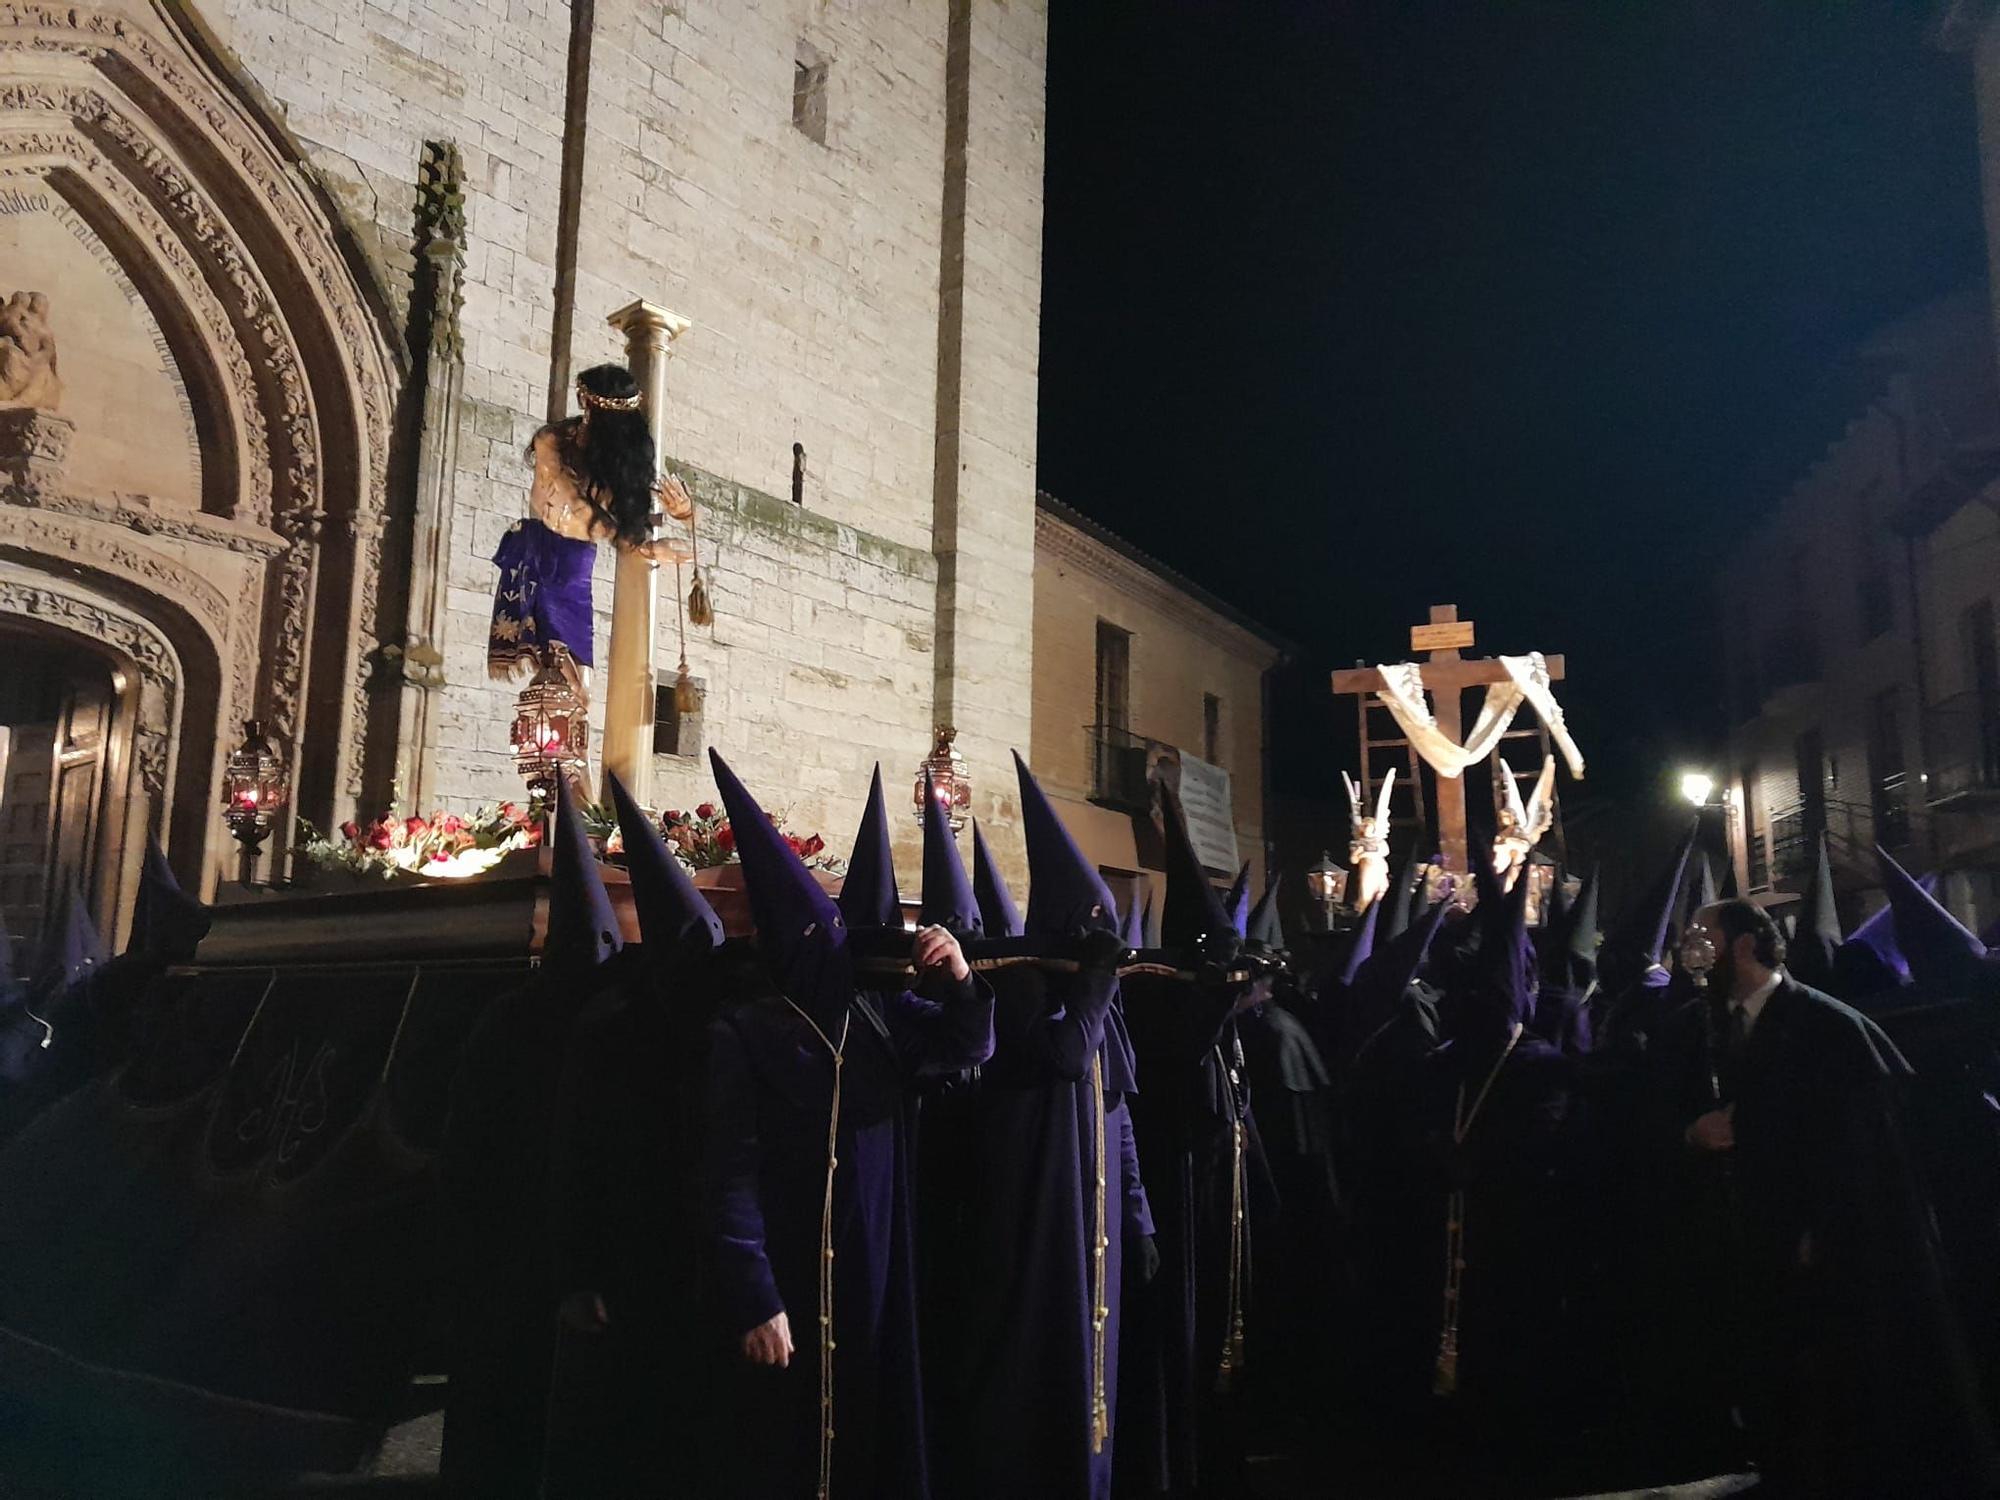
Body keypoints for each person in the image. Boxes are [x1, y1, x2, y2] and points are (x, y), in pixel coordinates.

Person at [702, 750, 993, 1500]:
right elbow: (728, 1172)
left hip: (878, 1263)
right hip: (793, 1276)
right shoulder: (745, 1031)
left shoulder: (880, 1013)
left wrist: (961, 982)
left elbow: (967, 1049)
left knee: (873, 1428)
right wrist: (755, 1295)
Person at [1668, 897, 1995, 1497]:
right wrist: (1693, 1133)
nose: (1693, 947)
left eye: (1704, 934)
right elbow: (1660, 1121)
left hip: (1825, 1262)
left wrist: (1823, 1230)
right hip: (1743, 1256)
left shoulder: (1827, 1027)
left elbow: (1868, 1155)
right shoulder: (1703, 1026)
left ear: (1742, 945)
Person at [925, 755, 1153, 1500]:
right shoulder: (1017, 986)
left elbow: (1117, 1120)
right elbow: (1062, 1055)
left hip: (1096, 1231)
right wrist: (1094, 980)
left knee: (1094, 1372)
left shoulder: (1096, 1000)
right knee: (1029, 1366)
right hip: (1032, 1217)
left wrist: (1139, 1217)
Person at [488, 364, 694, 693]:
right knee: (558, 673)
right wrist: (643, 546)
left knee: (580, 681)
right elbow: (580, 508)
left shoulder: (624, 453)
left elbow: (657, 501)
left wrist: (684, 511)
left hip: (576, 561)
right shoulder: (552, 442)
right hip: (540, 550)